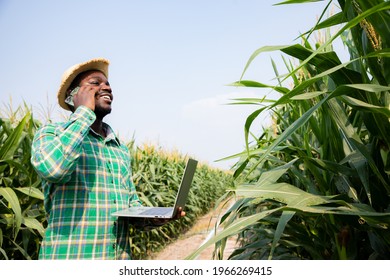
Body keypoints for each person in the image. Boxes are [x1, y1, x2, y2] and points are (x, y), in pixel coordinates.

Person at [31, 58, 184, 260]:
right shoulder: (51, 133)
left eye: (108, 85)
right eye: (95, 83)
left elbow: (130, 206)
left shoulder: (119, 148)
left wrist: (158, 217)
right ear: (72, 96)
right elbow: (53, 168)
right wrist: (84, 112)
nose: (106, 88)